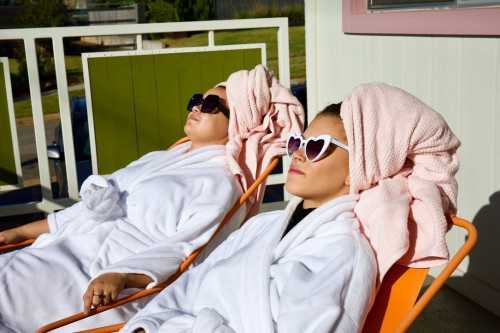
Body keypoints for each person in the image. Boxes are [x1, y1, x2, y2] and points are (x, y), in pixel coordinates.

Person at [120, 82, 460, 333]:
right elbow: (192, 282)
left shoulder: (343, 253)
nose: (296, 152)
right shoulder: (263, 225)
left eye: (317, 146)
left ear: (358, 170)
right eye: (298, 141)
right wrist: (147, 325)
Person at [0, 65, 304, 332]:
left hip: (96, 275)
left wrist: (121, 275)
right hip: (64, 248)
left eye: (212, 104)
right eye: (197, 100)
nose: (197, 107)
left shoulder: (220, 183)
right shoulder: (162, 157)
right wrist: (20, 231)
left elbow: (188, 249)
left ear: (236, 123)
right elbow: (87, 211)